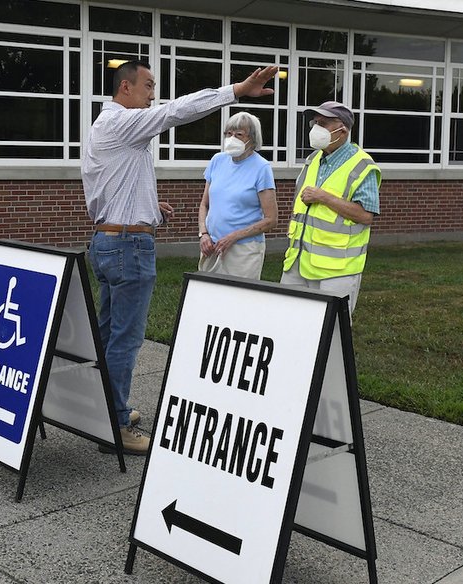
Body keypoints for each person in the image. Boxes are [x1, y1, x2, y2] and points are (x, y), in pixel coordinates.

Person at [82, 60, 278, 455]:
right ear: (125, 88)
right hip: (127, 248)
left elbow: (113, 189)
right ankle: (116, 424)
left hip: (107, 241)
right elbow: (178, 111)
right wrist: (236, 91)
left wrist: (152, 210)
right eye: (149, 86)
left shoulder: (104, 128)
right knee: (125, 340)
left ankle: (102, 407)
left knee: (105, 334)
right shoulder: (123, 123)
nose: (153, 95)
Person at [280, 101, 381, 315]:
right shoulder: (313, 159)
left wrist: (324, 197)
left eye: (323, 123)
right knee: (289, 323)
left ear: (342, 129)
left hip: (337, 270)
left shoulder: (363, 165)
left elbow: (365, 215)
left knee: (332, 332)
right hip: (297, 262)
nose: (316, 128)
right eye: (315, 122)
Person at [197, 112, 277, 278]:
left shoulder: (262, 168)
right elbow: (205, 204)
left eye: (239, 134)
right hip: (212, 245)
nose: (231, 138)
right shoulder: (217, 160)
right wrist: (203, 234)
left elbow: (271, 219)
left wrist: (233, 237)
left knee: (240, 300)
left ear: (252, 139)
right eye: (228, 133)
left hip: (244, 250)